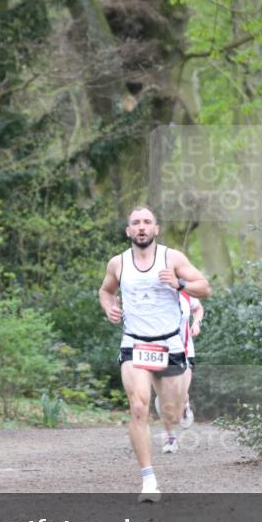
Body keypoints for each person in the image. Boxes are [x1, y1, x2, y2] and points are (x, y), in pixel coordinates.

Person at [99, 206, 210, 501]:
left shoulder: (172, 258)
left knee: (170, 411)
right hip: (134, 344)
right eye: (136, 223)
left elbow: (204, 288)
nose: (141, 227)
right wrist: (109, 308)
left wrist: (179, 283)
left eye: (147, 222)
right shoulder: (118, 263)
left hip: (170, 345)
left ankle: (177, 405)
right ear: (128, 231)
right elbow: (106, 291)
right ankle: (149, 481)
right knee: (138, 407)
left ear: (156, 229)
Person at [155, 291, 203, 452]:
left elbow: (198, 308)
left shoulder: (186, 292)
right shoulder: (152, 291)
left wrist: (196, 323)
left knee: (181, 393)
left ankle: (185, 404)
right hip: (158, 352)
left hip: (184, 351)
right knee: (163, 395)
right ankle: (170, 438)